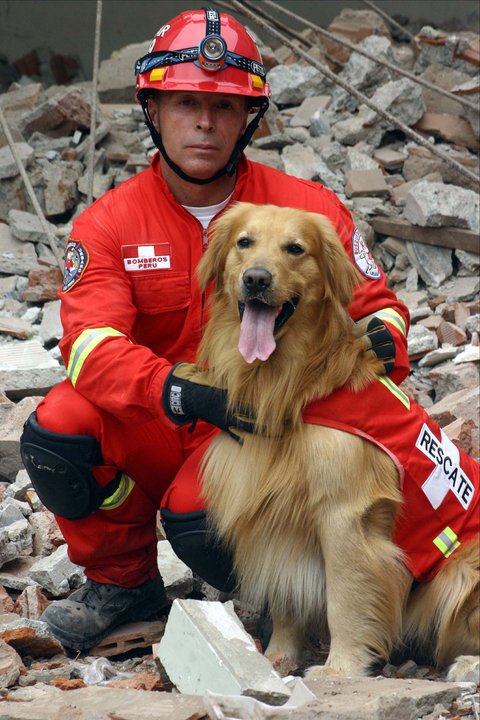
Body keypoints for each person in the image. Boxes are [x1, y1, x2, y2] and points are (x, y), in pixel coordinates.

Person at [19, 7, 410, 651]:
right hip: (167, 414)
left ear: (248, 119)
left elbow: (382, 312)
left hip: (274, 433)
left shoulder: (310, 209)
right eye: (184, 102)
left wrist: (375, 342)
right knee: (61, 426)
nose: (204, 122)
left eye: (225, 108)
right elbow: (90, 347)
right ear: (153, 108)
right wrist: (184, 393)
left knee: (200, 526)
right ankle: (123, 584)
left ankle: (305, 600)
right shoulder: (109, 225)